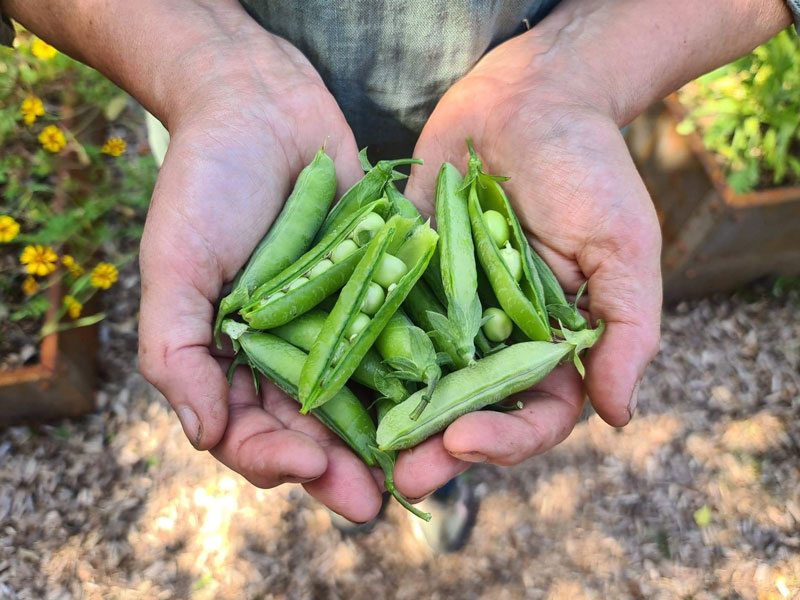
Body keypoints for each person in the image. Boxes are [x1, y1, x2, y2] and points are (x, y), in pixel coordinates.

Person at [3, 0, 796, 525]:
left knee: (440, 421)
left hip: (519, 105)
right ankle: (435, 469)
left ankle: (444, 475)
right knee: (400, 399)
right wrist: (197, 63)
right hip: (250, 152)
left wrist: (584, 68)